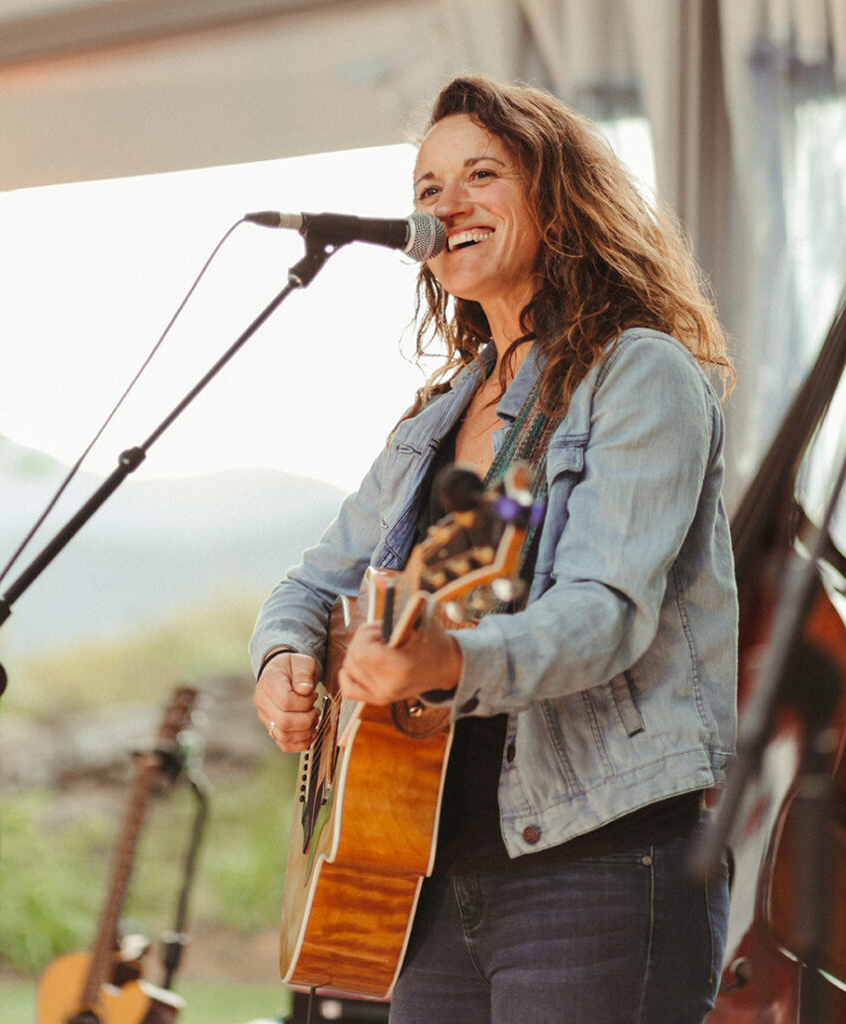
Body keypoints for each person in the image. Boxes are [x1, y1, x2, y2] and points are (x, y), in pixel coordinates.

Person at [250, 73, 737, 1024]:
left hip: (593, 861)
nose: (445, 205)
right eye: (428, 188)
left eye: (482, 175)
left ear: (560, 200)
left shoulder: (636, 375)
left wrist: (446, 658)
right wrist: (284, 655)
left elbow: (602, 614)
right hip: (427, 871)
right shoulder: (436, 418)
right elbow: (314, 582)